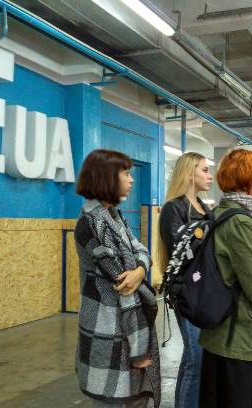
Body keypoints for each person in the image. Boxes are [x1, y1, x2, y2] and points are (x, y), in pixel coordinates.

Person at [74, 149, 160, 408]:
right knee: (112, 400)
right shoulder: (92, 223)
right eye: (126, 173)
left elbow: (141, 250)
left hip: (124, 326)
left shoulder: (114, 215)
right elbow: (124, 282)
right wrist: (139, 346)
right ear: (106, 177)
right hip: (107, 327)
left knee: (131, 397)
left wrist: (140, 270)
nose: (131, 179)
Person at [199, 149, 252, 408]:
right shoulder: (241, 221)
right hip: (240, 335)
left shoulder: (221, 212)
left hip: (223, 329)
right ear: (248, 179)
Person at [158, 152, 213, 408]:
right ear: (190, 173)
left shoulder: (205, 208)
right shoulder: (174, 208)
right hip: (187, 293)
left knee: (196, 359)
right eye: (204, 170)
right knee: (196, 358)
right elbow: (180, 253)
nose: (210, 176)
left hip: (206, 292)